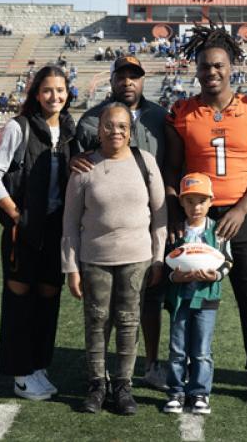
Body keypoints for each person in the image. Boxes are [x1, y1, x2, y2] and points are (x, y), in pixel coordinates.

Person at [164, 22, 247, 407]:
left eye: (218, 65)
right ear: (195, 69)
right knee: (187, 297)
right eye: (204, 66)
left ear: (232, 66)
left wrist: (244, 209)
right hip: (197, 216)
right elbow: (172, 169)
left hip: (238, 213)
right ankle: (182, 378)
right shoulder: (182, 112)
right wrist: (180, 214)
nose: (211, 72)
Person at [62, 103, 167, 414]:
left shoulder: (145, 161)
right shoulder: (84, 168)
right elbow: (70, 223)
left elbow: (160, 215)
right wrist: (71, 267)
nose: (116, 131)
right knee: (96, 322)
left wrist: (158, 258)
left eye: (122, 126)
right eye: (109, 125)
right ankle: (96, 385)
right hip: (95, 258)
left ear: (130, 130)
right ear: (99, 129)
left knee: (128, 321)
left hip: (137, 258)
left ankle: (123, 386)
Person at [0, 65, 79, 401]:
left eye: (61, 90)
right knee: (19, 300)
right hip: (23, 230)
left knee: (48, 298)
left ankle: (39, 365)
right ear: (36, 93)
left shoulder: (71, 130)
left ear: (69, 94)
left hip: (56, 230)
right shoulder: (18, 127)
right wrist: (15, 213)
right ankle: (20, 373)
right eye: (48, 90)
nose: (55, 96)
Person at [75, 55, 169, 390]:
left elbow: (170, 162)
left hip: (147, 223)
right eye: (122, 76)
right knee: (104, 309)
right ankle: (102, 374)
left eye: (135, 76)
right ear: (112, 79)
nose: (128, 82)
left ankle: (151, 363)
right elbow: (80, 163)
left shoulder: (160, 116)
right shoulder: (90, 119)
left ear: (143, 80)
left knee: (148, 301)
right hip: (103, 226)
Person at [162, 173, 232, 415]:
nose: (196, 207)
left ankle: (199, 392)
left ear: (211, 202)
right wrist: (174, 277)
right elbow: (166, 263)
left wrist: (216, 275)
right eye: (190, 201)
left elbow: (227, 263)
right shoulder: (175, 231)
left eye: (201, 201)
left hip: (207, 298)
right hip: (180, 298)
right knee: (178, 348)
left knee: (202, 350)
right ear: (181, 202)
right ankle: (175, 392)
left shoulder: (218, 231)